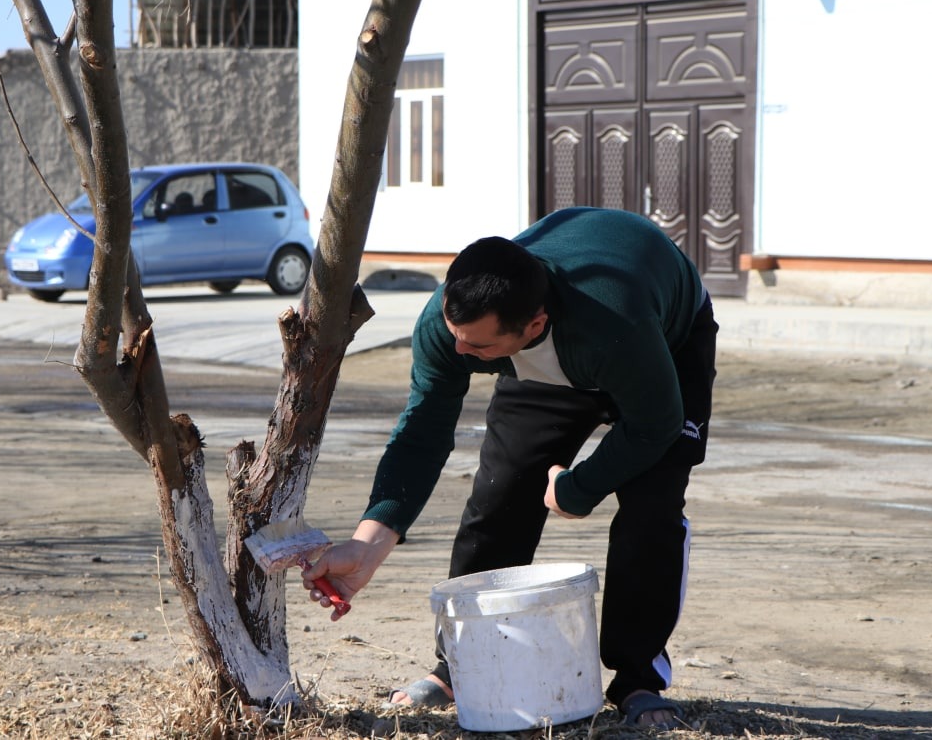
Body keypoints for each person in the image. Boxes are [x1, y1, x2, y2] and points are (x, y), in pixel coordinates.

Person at [303, 206, 718, 729]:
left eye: (477, 346)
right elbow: (422, 433)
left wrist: (579, 488)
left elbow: (656, 426)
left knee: (650, 509)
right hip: (554, 361)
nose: (459, 350)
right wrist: (367, 544)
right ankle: (460, 665)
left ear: (534, 325)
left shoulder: (616, 322)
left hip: (662, 346)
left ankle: (637, 676)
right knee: (499, 498)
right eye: (456, 334)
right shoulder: (448, 324)